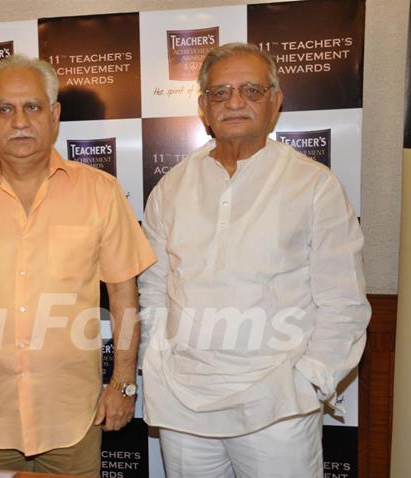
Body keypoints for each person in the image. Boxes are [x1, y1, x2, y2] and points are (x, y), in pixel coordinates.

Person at [138, 42, 371, 478]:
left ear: (275, 102)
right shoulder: (171, 188)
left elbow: (344, 302)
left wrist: (309, 380)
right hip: (184, 408)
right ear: (204, 108)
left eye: (251, 90)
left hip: (277, 408)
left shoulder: (313, 186)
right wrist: (157, 356)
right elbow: (153, 286)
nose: (235, 102)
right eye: (220, 93)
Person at [0, 54, 156, 476]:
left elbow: (124, 295)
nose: (19, 121)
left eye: (32, 106)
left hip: (72, 421)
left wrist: (123, 383)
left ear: (54, 114)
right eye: (5, 109)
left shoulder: (100, 193)